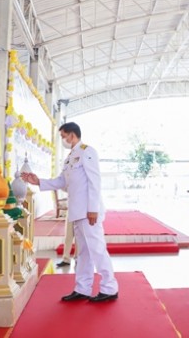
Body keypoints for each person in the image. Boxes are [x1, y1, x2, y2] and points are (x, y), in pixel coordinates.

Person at [21, 122, 118, 302]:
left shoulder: (87, 152)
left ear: (72, 135)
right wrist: (38, 181)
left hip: (88, 212)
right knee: (83, 253)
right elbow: (61, 182)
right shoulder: (69, 158)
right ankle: (83, 288)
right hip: (76, 212)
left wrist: (93, 209)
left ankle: (110, 287)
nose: (63, 140)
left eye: (64, 136)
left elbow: (94, 182)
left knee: (97, 249)